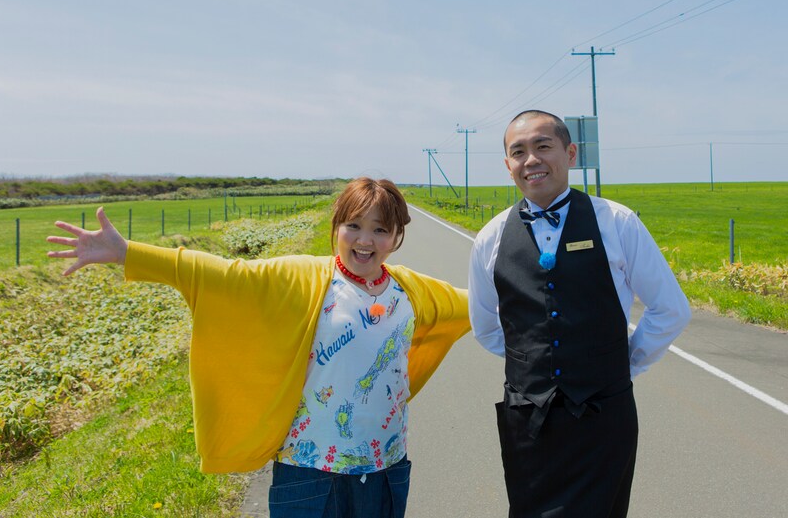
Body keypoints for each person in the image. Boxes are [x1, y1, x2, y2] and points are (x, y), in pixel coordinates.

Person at [48, 177, 470, 518]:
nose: (365, 239)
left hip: (385, 469)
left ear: (396, 236)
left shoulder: (410, 290)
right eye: (354, 225)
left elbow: (476, 305)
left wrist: (530, 297)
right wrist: (128, 253)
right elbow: (222, 274)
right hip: (310, 471)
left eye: (381, 229)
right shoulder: (304, 277)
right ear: (336, 228)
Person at [468, 110, 691, 518]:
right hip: (527, 422)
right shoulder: (491, 237)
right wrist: (535, 365)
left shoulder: (618, 223)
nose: (531, 160)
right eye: (518, 152)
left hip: (604, 416)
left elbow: (670, 309)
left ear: (570, 154)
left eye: (543, 146)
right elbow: (486, 327)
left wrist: (623, 366)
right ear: (508, 166)